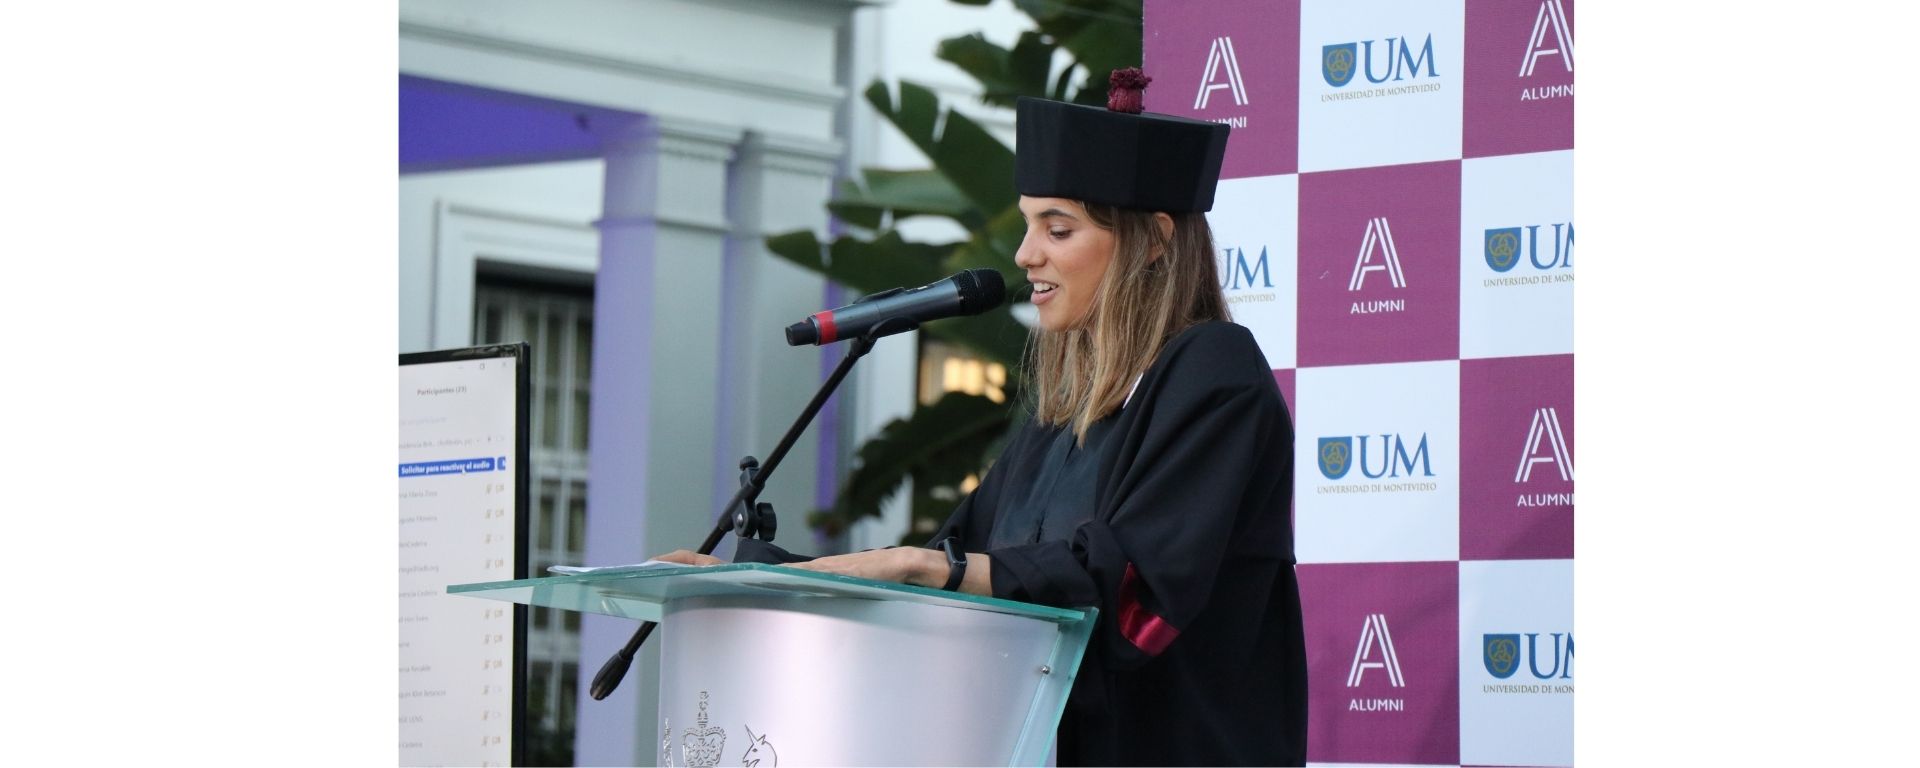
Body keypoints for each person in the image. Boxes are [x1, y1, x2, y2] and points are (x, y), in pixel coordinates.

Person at [662, 68, 1306, 766]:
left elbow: (1134, 592)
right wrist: (757, 577)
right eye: (1029, 226)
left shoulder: (1214, 373)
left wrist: (927, 568)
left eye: (1057, 229)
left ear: (1153, 240)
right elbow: (946, 566)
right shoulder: (1060, 411)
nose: (1026, 254)